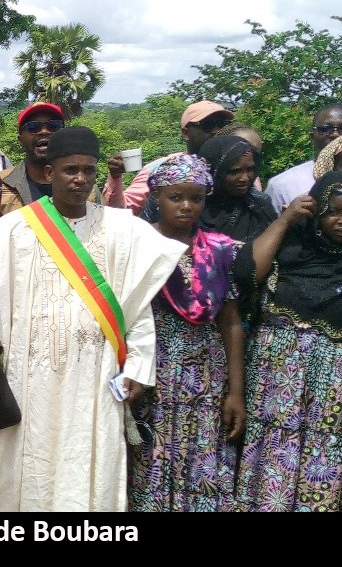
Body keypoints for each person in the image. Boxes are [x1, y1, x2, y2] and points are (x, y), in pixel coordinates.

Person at [0, 126, 186, 512]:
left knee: (91, 463)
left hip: (95, 374)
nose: (80, 179)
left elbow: (136, 307)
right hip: (26, 376)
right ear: (49, 173)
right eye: (70, 170)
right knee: (22, 467)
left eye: (88, 170)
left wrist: (137, 366)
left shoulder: (123, 229)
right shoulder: (9, 231)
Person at [233, 171, 342, 512]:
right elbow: (249, 272)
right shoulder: (293, 241)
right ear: (316, 208)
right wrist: (285, 219)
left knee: (328, 459)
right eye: (333, 211)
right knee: (277, 453)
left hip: (341, 383)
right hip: (281, 377)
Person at [127, 154, 246, 512]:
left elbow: (231, 321)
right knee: (151, 458)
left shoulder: (221, 249)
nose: (186, 206)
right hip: (153, 370)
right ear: (156, 198)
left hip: (205, 375)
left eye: (196, 198)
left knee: (202, 456)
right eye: (175, 197)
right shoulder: (138, 243)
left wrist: (236, 390)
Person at [107, 100, 233, 216]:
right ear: (186, 133)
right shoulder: (162, 168)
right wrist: (115, 177)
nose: (216, 131)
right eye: (208, 125)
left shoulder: (239, 167)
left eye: (223, 125)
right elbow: (119, 213)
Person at [0, 101, 120, 214]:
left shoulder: (86, 188)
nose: (44, 132)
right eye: (33, 127)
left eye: (53, 126)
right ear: (20, 139)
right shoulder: (0, 184)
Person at [195, 134, 277, 242]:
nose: (245, 178)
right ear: (213, 172)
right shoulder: (193, 208)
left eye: (250, 169)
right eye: (234, 171)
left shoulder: (260, 206)